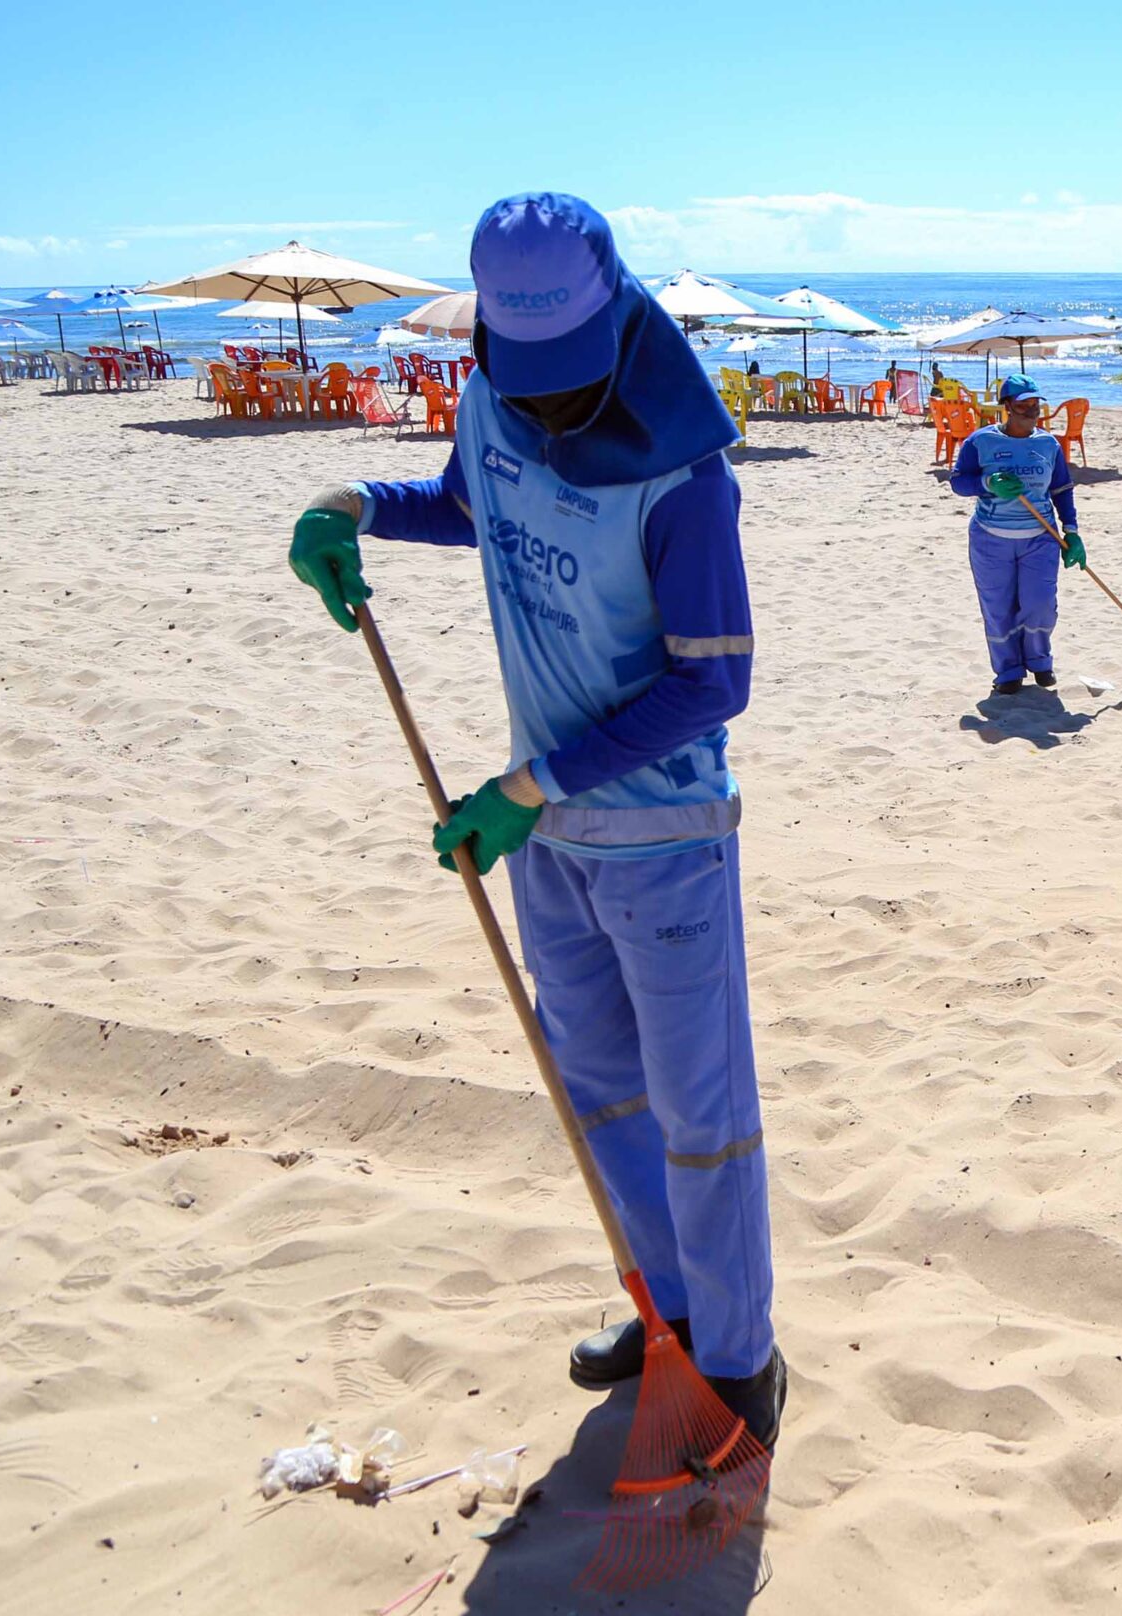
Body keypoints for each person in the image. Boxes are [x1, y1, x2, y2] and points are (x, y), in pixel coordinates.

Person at [283, 193, 785, 1449]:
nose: (550, 406)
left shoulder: (683, 475)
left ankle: (737, 1361)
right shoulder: (494, 397)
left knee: (698, 1118)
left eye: (571, 378)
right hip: (545, 838)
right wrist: (355, 500)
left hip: (660, 839)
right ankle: (662, 1309)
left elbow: (713, 679)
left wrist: (527, 788)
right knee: (601, 1092)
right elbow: (471, 506)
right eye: (529, 377)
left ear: (617, 314)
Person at [946, 373, 1084, 695]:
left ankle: (1039, 661)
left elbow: (1062, 488)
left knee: (1040, 605)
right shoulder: (980, 442)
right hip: (990, 539)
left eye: (1036, 403)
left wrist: (1072, 532)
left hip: (1040, 538)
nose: (1032, 409)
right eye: (1024, 404)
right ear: (1007, 406)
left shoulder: (1047, 444)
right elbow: (957, 482)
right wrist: (987, 484)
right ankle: (1008, 670)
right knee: (998, 608)